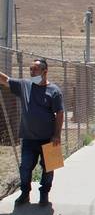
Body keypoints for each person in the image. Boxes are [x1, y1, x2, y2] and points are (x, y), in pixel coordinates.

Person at [0, 59, 64, 206]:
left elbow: (60, 113)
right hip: (29, 138)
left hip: (49, 138)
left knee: (49, 168)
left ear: (45, 72)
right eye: (30, 69)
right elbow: (6, 80)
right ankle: (25, 193)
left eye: (35, 69)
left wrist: (57, 135)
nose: (32, 72)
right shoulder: (25, 85)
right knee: (25, 167)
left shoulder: (54, 91)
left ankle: (44, 195)